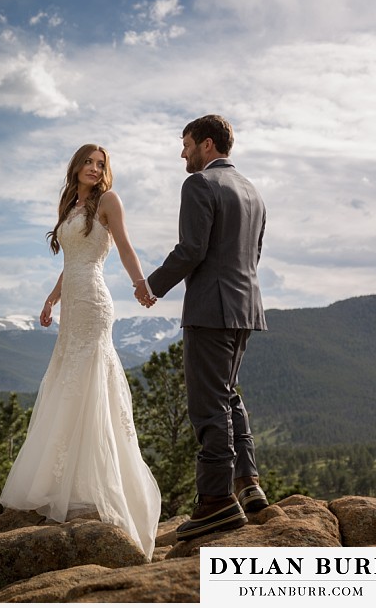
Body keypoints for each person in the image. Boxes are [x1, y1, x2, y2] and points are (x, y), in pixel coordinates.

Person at [0, 143, 161, 559]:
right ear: (75, 167)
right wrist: (51, 299)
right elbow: (70, 261)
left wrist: (140, 283)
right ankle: (66, 482)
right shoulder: (72, 204)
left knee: (88, 381)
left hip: (92, 300)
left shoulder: (109, 200)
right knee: (67, 381)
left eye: (100, 164)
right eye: (88, 162)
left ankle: (101, 487)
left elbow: (124, 246)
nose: (93, 168)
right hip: (71, 300)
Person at [135, 114, 269, 541]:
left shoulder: (199, 185)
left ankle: (216, 504)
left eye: (187, 144)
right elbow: (253, 255)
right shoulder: (253, 192)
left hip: (211, 310)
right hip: (246, 308)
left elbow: (192, 249)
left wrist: (151, 286)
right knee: (227, 395)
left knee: (208, 406)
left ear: (207, 145)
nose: (183, 152)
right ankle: (247, 484)